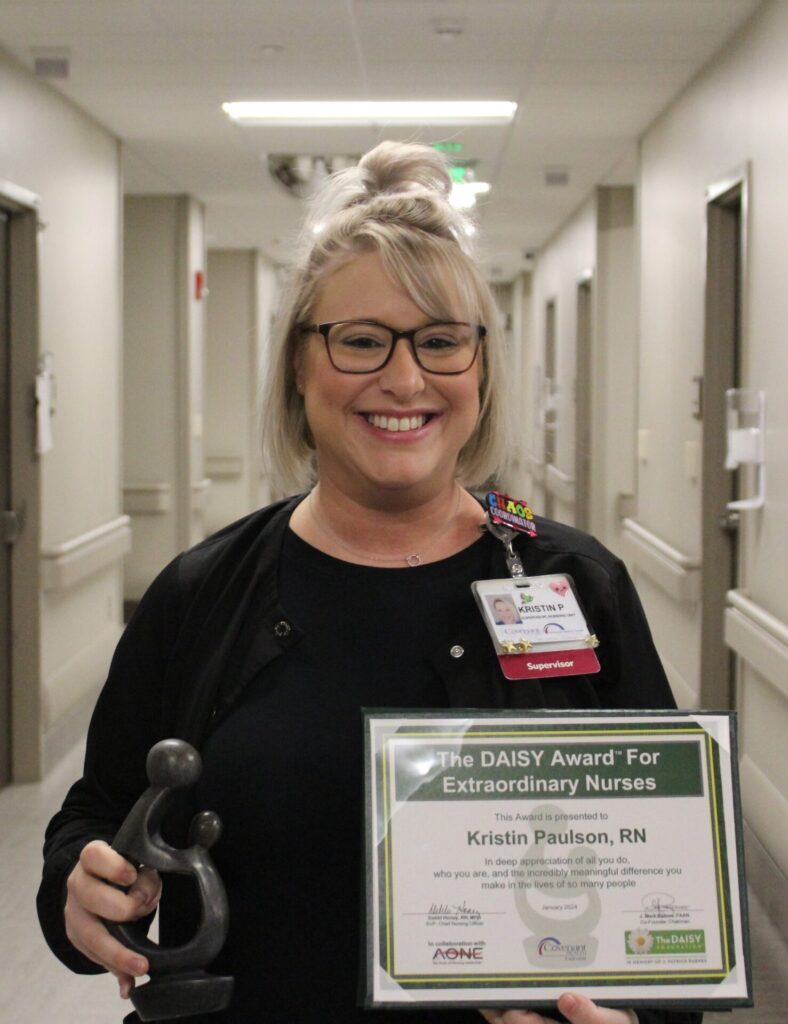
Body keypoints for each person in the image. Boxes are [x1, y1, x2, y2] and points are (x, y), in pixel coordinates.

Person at [37, 141, 701, 1024]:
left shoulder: (573, 583)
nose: (404, 377)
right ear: (298, 369)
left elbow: (672, 881)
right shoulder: (203, 593)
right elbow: (99, 812)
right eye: (359, 341)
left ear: (481, 368)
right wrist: (77, 888)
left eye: (440, 342)